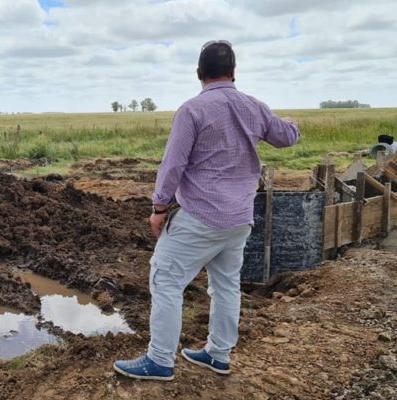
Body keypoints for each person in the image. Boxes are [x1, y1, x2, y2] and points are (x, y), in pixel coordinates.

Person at [113, 40, 300, 380]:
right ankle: (218, 354)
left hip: (200, 216)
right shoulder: (254, 107)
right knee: (226, 285)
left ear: (199, 74)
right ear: (233, 72)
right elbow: (287, 137)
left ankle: (159, 360)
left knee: (166, 280)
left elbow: (173, 164)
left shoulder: (192, 110)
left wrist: (158, 206)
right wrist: (290, 122)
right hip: (239, 219)